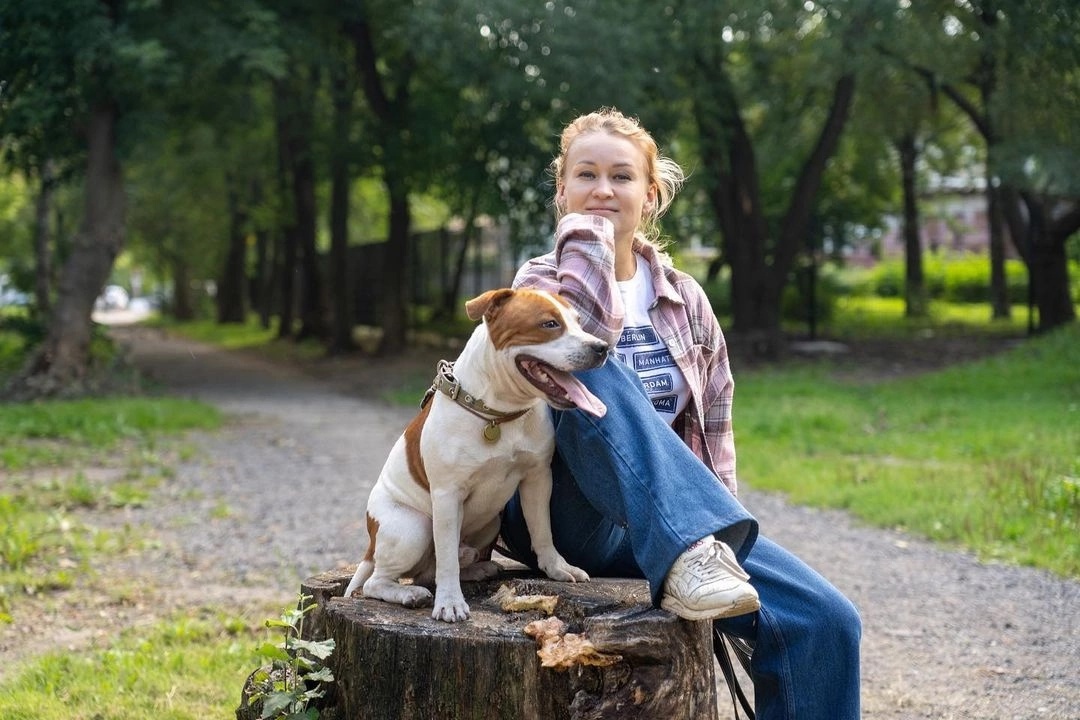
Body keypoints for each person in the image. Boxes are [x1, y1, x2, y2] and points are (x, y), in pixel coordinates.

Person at [499, 108, 861, 719]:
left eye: (622, 177)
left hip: (666, 521)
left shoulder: (685, 298)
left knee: (826, 622)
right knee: (589, 361)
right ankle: (688, 551)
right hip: (559, 512)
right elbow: (577, 351)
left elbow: (714, 426)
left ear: (652, 194)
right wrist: (588, 237)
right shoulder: (537, 284)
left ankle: (695, 554)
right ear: (561, 191)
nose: (604, 189)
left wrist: (722, 534)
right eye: (585, 175)